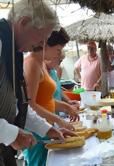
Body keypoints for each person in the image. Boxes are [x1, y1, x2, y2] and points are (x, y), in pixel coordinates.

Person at [0, 0, 75, 165]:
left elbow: (20, 105)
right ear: (24, 22)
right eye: (41, 39)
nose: (40, 46)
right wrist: (9, 133)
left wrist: (48, 129)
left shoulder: (14, 50)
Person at [23, 28, 80, 165]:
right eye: (58, 50)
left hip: (46, 127)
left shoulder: (41, 63)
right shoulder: (31, 64)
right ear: (46, 45)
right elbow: (30, 105)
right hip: (37, 130)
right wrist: (59, 120)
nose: (59, 55)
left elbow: (46, 99)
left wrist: (66, 107)